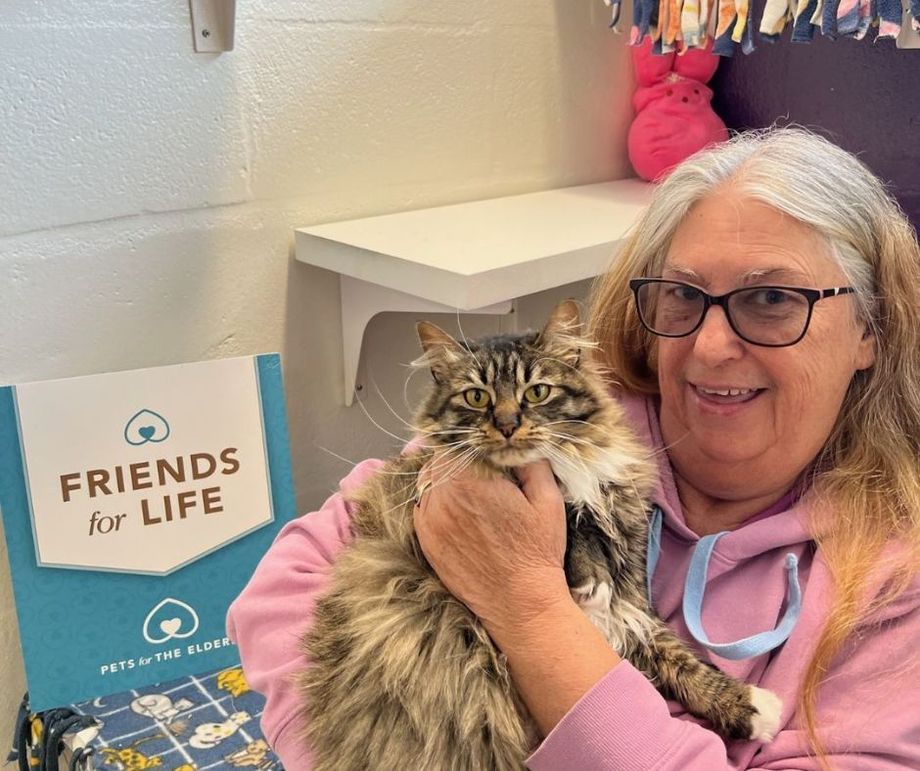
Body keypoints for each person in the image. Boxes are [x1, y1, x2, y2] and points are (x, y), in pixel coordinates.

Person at [227, 128, 920, 770]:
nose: (709, 346)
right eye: (681, 293)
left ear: (872, 327)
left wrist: (531, 611)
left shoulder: (898, 579)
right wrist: (357, 743)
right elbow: (279, 592)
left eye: (771, 298)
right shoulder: (567, 415)